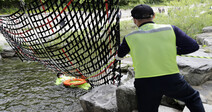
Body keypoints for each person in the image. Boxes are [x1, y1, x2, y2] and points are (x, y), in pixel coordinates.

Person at [117, 4, 205, 112]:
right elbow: (193, 46)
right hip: (171, 79)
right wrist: (175, 50)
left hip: (145, 82)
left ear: (135, 20)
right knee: (192, 97)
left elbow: (120, 55)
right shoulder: (171, 29)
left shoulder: (129, 37)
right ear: (153, 16)